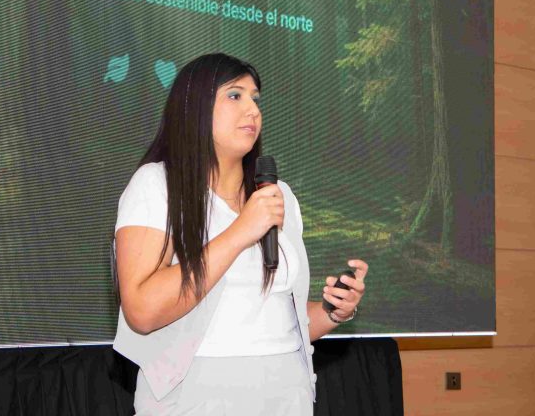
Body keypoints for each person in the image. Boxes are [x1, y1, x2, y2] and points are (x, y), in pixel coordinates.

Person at [113, 53, 367, 415]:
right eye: (235, 95)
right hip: (195, 397)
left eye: (255, 99)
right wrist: (241, 231)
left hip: (287, 393)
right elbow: (142, 310)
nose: (253, 110)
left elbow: (276, 320)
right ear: (194, 108)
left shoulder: (279, 195)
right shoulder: (157, 184)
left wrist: (332, 311)